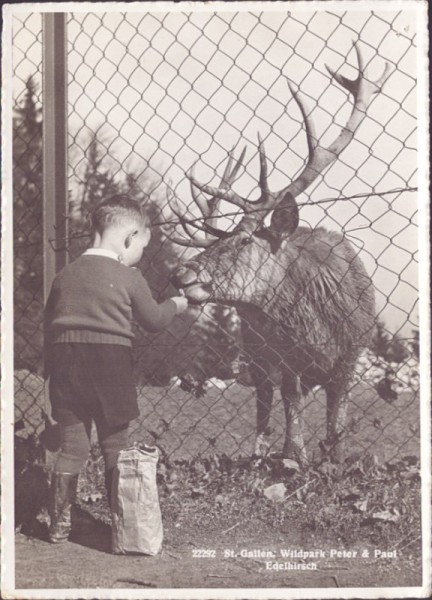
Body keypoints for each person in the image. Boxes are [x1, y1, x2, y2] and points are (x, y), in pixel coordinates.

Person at [44, 194, 188, 544]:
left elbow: (49, 324)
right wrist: (176, 304)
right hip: (110, 365)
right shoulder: (129, 276)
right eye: (141, 246)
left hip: (66, 362)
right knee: (115, 445)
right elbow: (153, 320)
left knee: (73, 445)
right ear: (129, 238)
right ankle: (125, 528)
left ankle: (59, 523)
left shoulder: (64, 275)